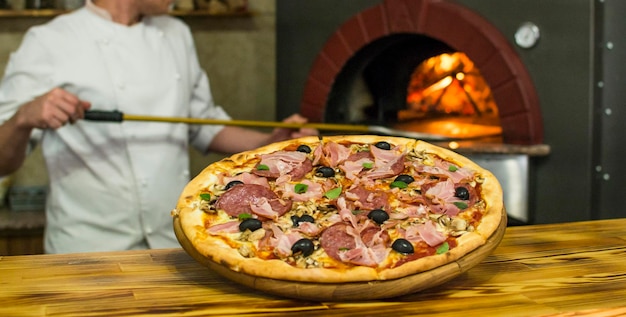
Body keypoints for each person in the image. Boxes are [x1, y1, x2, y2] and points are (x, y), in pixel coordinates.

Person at [0, 0, 317, 253]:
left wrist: (270, 142)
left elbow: (202, 123)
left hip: (173, 242)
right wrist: (23, 118)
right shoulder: (47, 41)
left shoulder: (176, 33)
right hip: (86, 250)